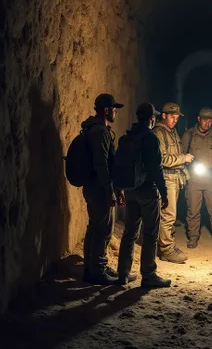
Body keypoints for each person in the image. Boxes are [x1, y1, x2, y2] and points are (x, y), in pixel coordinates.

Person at [117, 103, 172, 288]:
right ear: (151, 118)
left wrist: (119, 190)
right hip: (147, 191)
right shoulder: (150, 138)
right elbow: (156, 169)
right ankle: (148, 274)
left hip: (130, 190)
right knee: (150, 233)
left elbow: (119, 166)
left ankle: (123, 273)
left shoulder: (128, 137)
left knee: (130, 232)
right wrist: (164, 193)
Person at [82, 93, 124, 285]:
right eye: (114, 109)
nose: (116, 112)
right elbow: (101, 164)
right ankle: (97, 270)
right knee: (103, 229)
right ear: (106, 110)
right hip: (99, 188)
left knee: (95, 227)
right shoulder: (99, 132)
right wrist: (109, 189)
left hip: (95, 186)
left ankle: (93, 267)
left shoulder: (96, 129)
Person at [181, 107, 212, 248]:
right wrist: (183, 176)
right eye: (205, 120)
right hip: (194, 179)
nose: (208, 123)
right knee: (193, 211)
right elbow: (181, 156)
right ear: (199, 119)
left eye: (210, 121)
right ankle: (193, 237)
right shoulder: (188, 135)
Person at [153, 102, 194, 263]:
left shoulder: (172, 132)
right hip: (166, 179)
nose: (175, 120)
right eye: (172, 117)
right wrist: (183, 158)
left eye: (177, 117)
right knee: (168, 216)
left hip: (174, 178)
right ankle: (166, 250)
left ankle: (169, 244)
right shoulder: (158, 133)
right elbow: (161, 159)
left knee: (171, 215)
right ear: (163, 116)